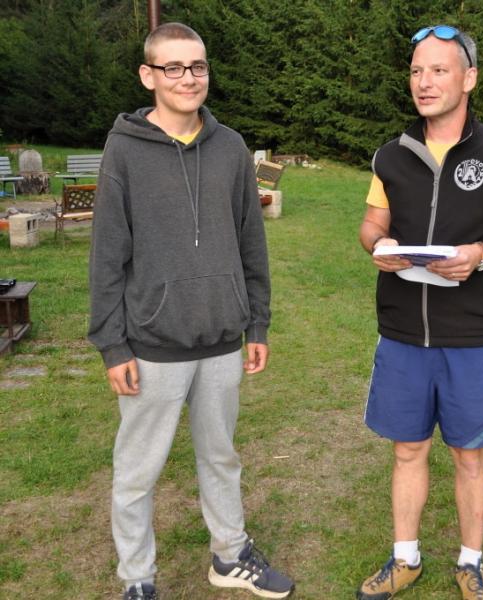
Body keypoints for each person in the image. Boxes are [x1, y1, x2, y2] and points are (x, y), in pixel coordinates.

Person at [88, 22, 294, 600]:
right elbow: (107, 253)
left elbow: (251, 241)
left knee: (221, 458)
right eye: (173, 67)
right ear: (148, 76)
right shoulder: (124, 149)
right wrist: (112, 344)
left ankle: (230, 555)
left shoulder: (230, 147)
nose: (188, 78)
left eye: (198, 66)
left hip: (223, 338)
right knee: (138, 472)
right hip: (151, 344)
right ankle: (137, 579)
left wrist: (257, 321)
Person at [356, 25, 483, 600]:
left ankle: (471, 564)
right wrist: (379, 246)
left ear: (469, 79)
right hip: (402, 331)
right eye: (417, 71)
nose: (424, 82)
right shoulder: (391, 155)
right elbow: (371, 223)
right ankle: (405, 559)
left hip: (472, 334)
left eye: (439, 70)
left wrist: (482, 254)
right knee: (407, 449)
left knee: (470, 456)